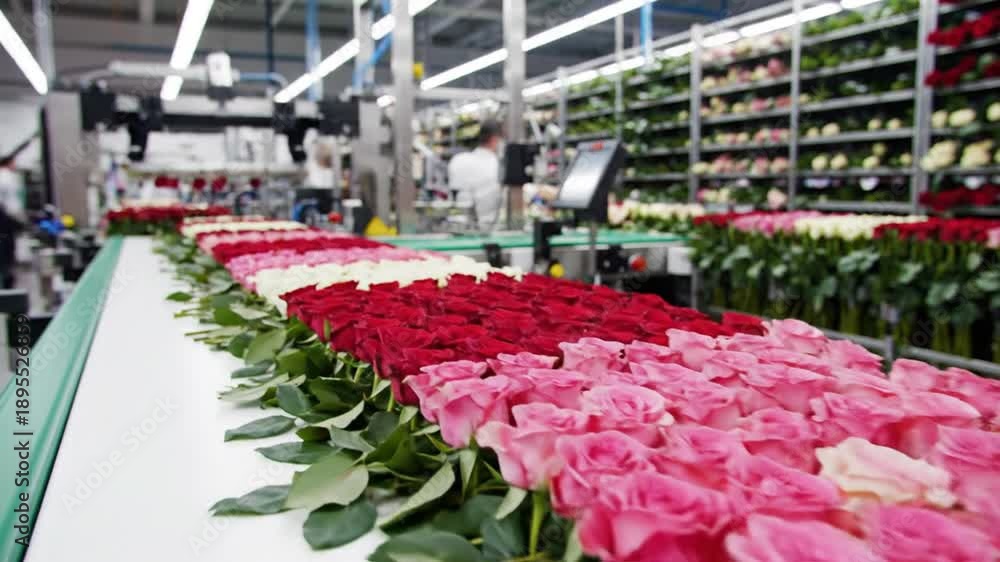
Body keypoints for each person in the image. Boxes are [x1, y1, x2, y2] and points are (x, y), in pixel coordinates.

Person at [448, 120, 503, 231]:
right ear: (494, 140)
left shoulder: (457, 160)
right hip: (486, 230)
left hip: (457, 228)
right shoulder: (496, 165)